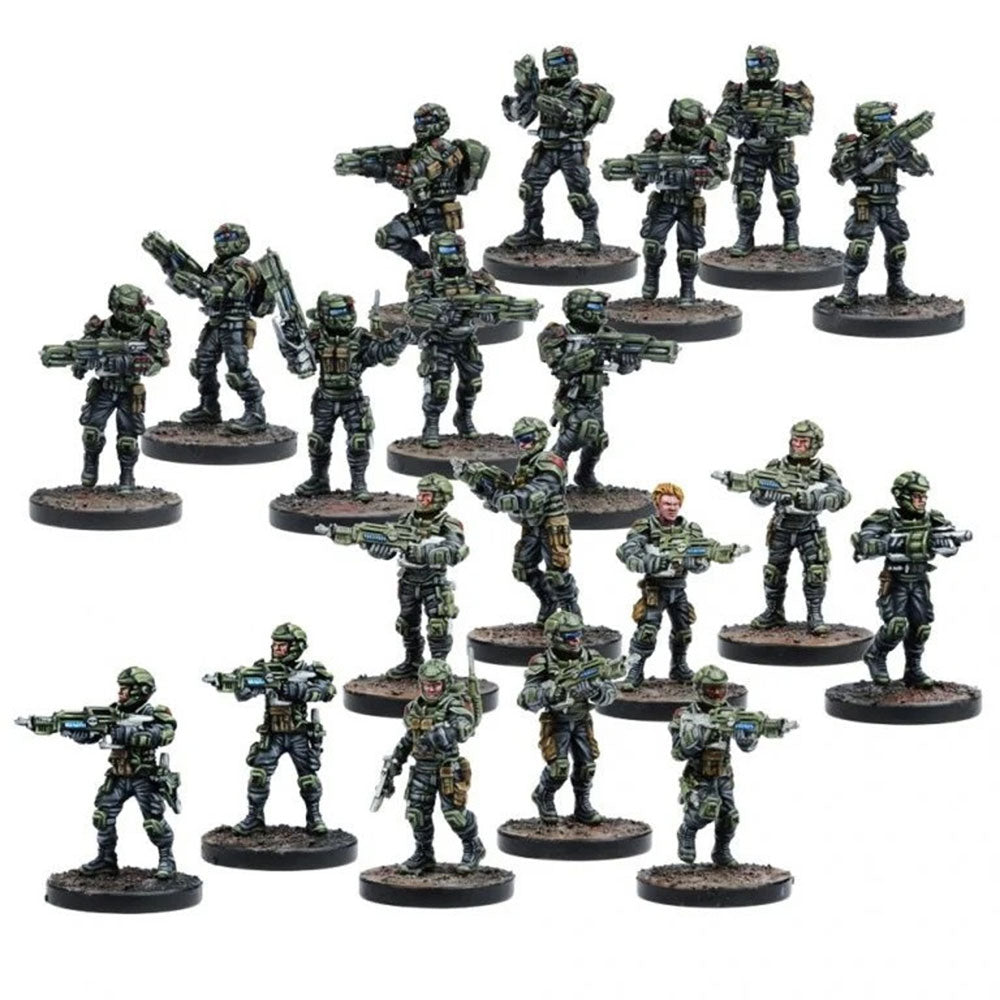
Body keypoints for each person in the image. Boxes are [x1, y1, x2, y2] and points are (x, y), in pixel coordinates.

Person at [203, 624, 336, 834]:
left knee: (309, 779)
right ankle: (255, 818)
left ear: (296, 647)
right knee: (258, 776)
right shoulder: (265, 670)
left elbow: (326, 691)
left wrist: (289, 688)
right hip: (273, 734)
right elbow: (245, 692)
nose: (276, 648)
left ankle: (314, 817)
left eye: (282, 645)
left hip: (298, 733)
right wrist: (242, 686)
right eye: (274, 644)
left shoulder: (309, 671)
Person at [617, 483, 748, 688]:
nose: (672, 508)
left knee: (684, 631)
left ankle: (679, 666)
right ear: (657, 504)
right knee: (647, 631)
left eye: (676, 504)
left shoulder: (690, 530)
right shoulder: (646, 526)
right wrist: (652, 562)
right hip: (655, 589)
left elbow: (702, 560)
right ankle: (635, 672)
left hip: (678, 589)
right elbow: (627, 551)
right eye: (667, 503)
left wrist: (696, 562)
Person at [852, 471, 971, 687]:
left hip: (919, 580)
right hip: (896, 579)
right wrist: (898, 543)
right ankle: (875, 655)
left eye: (924, 496)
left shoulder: (932, 518)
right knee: (896, 625)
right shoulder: (887, 518)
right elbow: (865, 542)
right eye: (917, 496)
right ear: (902, 496)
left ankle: (913, 669)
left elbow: (948, 542)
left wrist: (946, 544)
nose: (922, 500)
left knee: (921, 626)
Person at [294, 291, 409, 499]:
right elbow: (301, 363)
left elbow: (380, 353)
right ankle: (319, 479)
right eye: (338, 312)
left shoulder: (360, 339)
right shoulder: (318, 338)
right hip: (325, 399)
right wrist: (293, 346)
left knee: (359, 442)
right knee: (318, 442)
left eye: (347, 311)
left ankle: (359, 484)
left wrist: (396, 344)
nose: (344, 317)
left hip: (353, 400)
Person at [374, 659, 485, 873]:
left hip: (447, 769)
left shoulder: (452, 704)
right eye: (427, 685)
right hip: (421, 770)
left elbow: (464, 727)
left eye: (436, 685)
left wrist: (445, 733)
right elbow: (409, 738)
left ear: (445, 684)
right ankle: (424, 854)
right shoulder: (415, 708)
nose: (431, 689)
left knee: (454, 814)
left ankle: (473, 847)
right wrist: (396, 762)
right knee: (416, 814)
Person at [502, 46, 614, 251]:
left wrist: (544, 102)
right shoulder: (540, 88)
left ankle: (591, 232)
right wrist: (522, 98)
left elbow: (576, 117)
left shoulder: (582, 91)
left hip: (571, 150)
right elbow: (518, 115)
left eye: (565, 62)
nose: (562, 68)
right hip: (546, 148)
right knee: (529, 189)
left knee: (579, 194)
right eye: (556, 63)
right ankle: (532, 230)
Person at [517, 611, 619, 823]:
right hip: (557, 721)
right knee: (559, 769)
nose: (575, 641)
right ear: (554, 637)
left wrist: (596, 691)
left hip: (582, 718)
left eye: (578, 635)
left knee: (587, 766)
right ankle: (544, 795)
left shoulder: (592, 659)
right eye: (569, 636)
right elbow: (525, 698)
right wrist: (549, 692)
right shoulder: (543, 662)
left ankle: (582, 805)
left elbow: (610, 692)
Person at [829, 102, 933, 306]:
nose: (887, 123)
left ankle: (896, 285)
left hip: (889, 203)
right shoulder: (853, 144)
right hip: (866, 203)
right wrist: (864, 158)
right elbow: (838, 171)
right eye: (882, 119)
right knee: (859, 246)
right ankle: (849, 290)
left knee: (897, 248)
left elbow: (919, 169)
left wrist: (903, 154)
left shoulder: (895, 141)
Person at [713, 45, 813, 256]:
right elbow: (720, 122)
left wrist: (776, 126)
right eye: (751, 63)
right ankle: (745, 236)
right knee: (747, 198)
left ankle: (791, 232)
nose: (756, 68)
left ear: (773, 64)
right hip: (750, 151)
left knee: (787, 196)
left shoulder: (789, 91)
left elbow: (803, 122)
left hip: (778, 150)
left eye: (760, 63)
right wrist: (741, 127)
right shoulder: (737, 92)